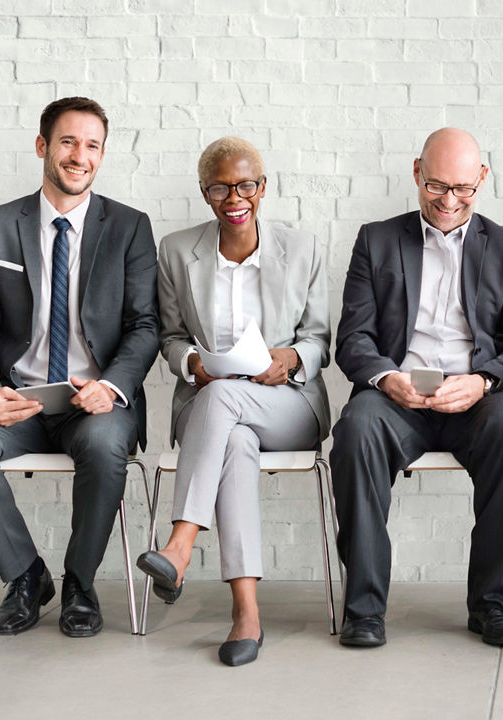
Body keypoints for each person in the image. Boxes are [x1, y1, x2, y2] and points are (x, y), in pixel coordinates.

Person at [0, 97, 158, 637]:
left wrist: (111, 386)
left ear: (101, 157)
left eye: (91, 145)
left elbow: (145, 325)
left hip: (94, 403)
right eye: (68, 142)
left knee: (106, 447)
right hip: (23, 400)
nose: (79, 156)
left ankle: (80, 582)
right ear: (43, 147)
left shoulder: (129, 227)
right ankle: (27, 576)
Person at [330, 128, 503, 649]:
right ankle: (364, 608)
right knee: (355, 432)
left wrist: (482, 380)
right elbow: (353, 339)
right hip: (397, 392)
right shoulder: (376, 239)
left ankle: (493, 605)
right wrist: (387, 378)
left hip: (480, 394)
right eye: (437, 186)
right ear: (417, 171)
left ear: (483, 179)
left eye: (464, 189)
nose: (449, 201)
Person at [134, 137, 331, 666]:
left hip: (287, 404)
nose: (234, 196)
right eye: (220, 187)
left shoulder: (303, 248)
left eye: (246, 184)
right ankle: (247, 612)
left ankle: (178, 546)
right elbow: (170, 336)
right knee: (235, 442)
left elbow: (320, 340)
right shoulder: (178, 251)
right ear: (205, 193)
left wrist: (288, 358)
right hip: (213, 410)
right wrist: (191, 363)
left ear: (263, 188)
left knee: (226, 401)